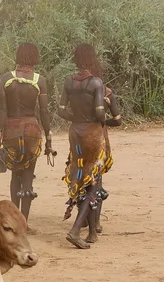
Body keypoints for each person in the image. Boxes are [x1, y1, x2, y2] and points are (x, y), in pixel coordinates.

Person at [0, 43, 52, 231]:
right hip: (32, 130)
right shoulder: (39, 80)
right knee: (28, 175)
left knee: (15, 175)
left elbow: (3, 109)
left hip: (11, 129)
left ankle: (14, 221)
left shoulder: (6, 79)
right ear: (34, 58)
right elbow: (44, 111)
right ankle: (24, 224)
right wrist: (49, 136)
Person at [58, 43, 107, 249]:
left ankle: (92, 230)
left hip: (74, 133)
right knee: (94, 182)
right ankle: (76, 230)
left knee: (79, 175)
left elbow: (61, 110)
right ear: (91, 59)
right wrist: (106, 109)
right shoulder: (95, 83)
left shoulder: (69, 81)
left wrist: (76, 117)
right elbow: (99, 113)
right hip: (92, 134)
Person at [80, 63, 122, 233]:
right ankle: (95, 222)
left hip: (79, 136)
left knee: (80, 177)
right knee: (97, 179)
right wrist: (103, 122)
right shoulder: (107, 93)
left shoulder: (78, 90)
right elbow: (118, 120)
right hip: (99, 138)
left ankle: (82, 218)